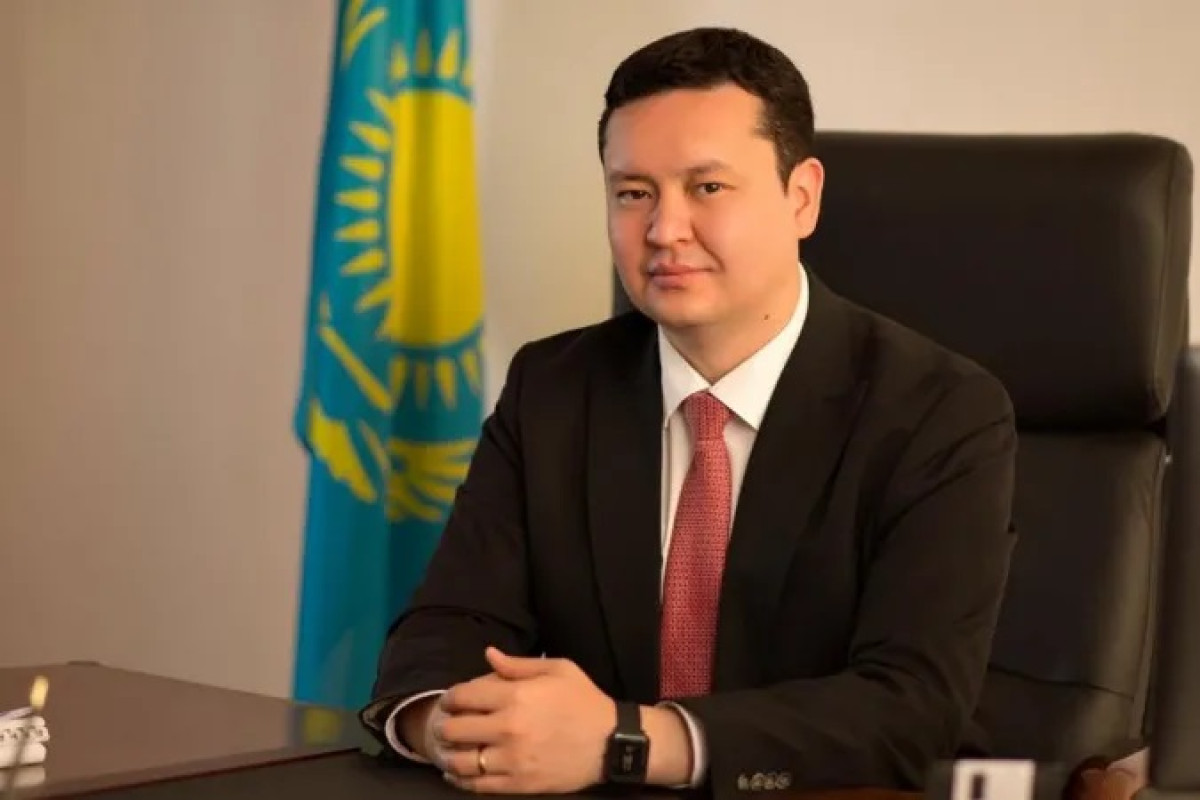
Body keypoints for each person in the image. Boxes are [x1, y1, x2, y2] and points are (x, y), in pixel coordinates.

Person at [361, 26, 1021, 796]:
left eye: (707, 188)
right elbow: (447, 631)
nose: (663, 231)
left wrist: (629, 741)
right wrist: (448, 724)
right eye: (633, 193)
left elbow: (911, 709)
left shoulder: (941, 411)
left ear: (801, 197)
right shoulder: (554, 389)